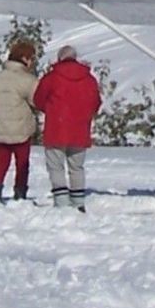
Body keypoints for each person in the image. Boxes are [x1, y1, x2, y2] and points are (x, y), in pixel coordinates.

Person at [32, 45, 101, 211]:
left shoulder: (51, 78)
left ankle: (61, 201)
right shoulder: (89, 79)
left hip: (56, 127)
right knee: (76, 167)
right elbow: (96, 102)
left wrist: (50, 110)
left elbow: (38, 99)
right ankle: (78, 202)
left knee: (56, 166)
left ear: (59, 58)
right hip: (80, 129)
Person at [0, 40, 39, 203]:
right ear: (24, 58)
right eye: (31, 58)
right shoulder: (27, 79)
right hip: (20, 128)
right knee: (22, 164)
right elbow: (36, 101)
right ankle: (20, 195)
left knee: (1, 163)